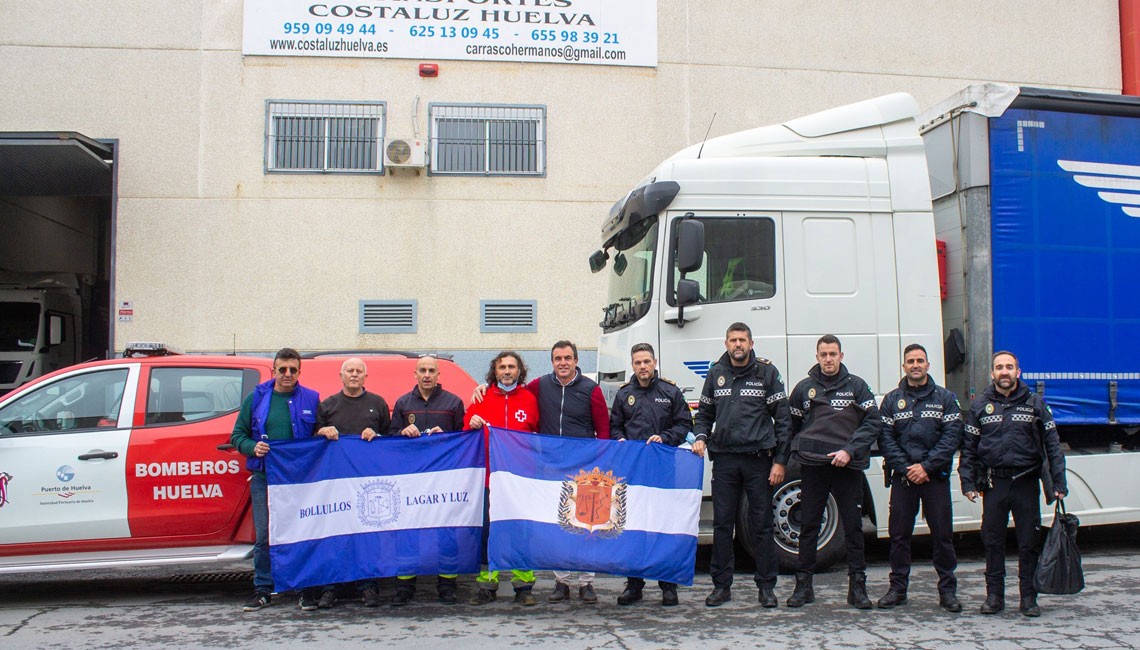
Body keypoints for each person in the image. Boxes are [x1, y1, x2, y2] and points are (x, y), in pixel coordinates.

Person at [474, 341, 611, 604]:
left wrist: (600, 464)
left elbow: (603, 430)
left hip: (583, 469)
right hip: (551, 468)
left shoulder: (590, 390)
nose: (563, 363)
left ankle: (586, 583)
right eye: (558, 358)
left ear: (575, 360)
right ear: (551, 362)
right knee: (559, 524)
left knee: (585, 525)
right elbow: (510, 392)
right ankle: (561, 582)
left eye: (567, 358)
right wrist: (482, 388)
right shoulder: (540, 387)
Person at [960, 351, 1067, 617]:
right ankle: (994, 597)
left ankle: (1028, 598)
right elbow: (969, 449)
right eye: (999, 367)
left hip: (1025, 482)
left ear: (1018, 372)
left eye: (1009, 367)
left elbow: (1053, 445)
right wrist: (968, 482)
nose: (1004, 372)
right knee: (992, 542)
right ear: (992, 373)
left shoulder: (1035, 404)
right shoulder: (979, 406)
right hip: (995, 484)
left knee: (1028, 542)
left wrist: (1058, 482)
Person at [692, 322, 791, 608]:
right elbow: (704, 414)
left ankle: (766, 587)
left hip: (758, 460)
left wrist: (781, 461)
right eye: (733, 340)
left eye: (742, 340)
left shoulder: (766, 373)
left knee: (761, 524)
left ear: (751, 342)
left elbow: (783, 420)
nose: (738, 345)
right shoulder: (715, 373)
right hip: (724, 460)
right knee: (723, 525)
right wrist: (700, 436)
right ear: (726, 344)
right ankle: (722, 586)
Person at [786, 334, 881, 609]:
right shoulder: (804, 389)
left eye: (833, 354)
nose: (828, 359)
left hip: (847, 468)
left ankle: (857, 589)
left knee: (853, 526)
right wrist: (791, 456)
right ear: (817, 357)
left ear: (841, 356)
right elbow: (790, 427)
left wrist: (849, 450)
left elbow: (873, 422)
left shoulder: (857, 387)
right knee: (809, 526)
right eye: (823, 354)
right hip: (813, 469)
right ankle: (804, 587)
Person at [230, 347, 320, 612]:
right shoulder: (256, 398)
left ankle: (304, 589)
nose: (288, 374)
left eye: (293, 369)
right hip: (265, 477)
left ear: (300, 371)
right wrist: (251, 447)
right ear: (274, 370)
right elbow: (238, 435)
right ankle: (263, 590)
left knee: (302, 533)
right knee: (265, 536)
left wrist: (325, 431)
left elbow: (318, 436)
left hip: (300, 480)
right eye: (283, 369)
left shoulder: (312, 399)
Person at [876, 344, 963, 612]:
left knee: (942, 537)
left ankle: (947, 591)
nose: (915, 365)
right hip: (904, 479)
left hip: (934, 478)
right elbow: (885, 439)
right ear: (904, 366)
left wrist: (925, 467)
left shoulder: (945, 398)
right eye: (910, 361)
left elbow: (951, 437)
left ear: (928, 365)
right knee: (899, 536)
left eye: (920, 360)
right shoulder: (891, 400)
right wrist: (906, 467)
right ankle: (898, 589)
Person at [610, 342, 694, 607]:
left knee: (663, 527)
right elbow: (614, 427)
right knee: (633, 528)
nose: (643, 367)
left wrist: (665, 437)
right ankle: (634, 585)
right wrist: (620, 439)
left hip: (662, 473)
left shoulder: (670, 391)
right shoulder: (624, 394)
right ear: (632, 365)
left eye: (647, 361)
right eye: (637, 362)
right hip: (633, 474)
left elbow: (685, 424)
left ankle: (668, 586)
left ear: (654, 362)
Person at [388, 354, 468, 605]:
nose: (426, 375)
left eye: (431, 370)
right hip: (411, 480)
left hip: (443, 480)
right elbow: (390, 437)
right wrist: (402, 432)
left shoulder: (453, 402)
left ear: (438, 375)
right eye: (422, 370)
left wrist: (448, 436)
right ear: (415, 373)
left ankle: (447, 585)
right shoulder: (402, 403)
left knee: (445, 531)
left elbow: (463, 439)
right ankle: (405, 586)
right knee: (409, 532)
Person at [312, 357, 391, 609]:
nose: (354, 374)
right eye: (350, 371)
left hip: (366, 482)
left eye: (359, 371)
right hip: (334, 483)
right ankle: (331, 587)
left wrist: (376, 435)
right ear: (341, 375)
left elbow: (390, 440)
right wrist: (322, 432)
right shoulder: (328, 405)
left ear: (366, 376)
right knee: (335, 534)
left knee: (366, 534)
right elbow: (312, 440)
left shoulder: (377, 404)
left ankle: (368, 586)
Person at [465, 351, 541, 607]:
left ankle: (523, 586)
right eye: (502, 367)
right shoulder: (481, 396)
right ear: (494, 371)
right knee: (489, 533)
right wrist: (472, 420)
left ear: (520, 371)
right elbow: (467, 427)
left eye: (511, 367)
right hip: (489, 478)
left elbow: (537, 434)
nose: (507, 371)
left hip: (520, 478)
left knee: (521, 532)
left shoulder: (530, 399)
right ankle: (487, 585)